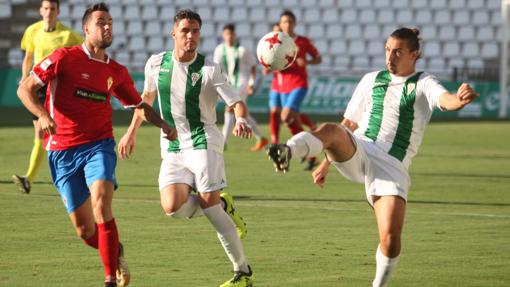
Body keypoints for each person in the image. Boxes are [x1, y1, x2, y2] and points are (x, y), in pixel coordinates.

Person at [267, 27, 479, 287]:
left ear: (414, 54)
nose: (390, 57)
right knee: (333, 128)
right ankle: (288, 150)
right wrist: (325, 163)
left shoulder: (424, 82)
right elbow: (348, 124)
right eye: (388, 50)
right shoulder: (371, 79)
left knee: (390, 239)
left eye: (398, 52)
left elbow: (445, 100)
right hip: (361, 148)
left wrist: (460, 99)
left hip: (392, 166)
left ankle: (379, 284)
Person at [16, 3, 175, 287]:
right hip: (61, 151)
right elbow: (25, 88)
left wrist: (162, 124)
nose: (107, 27)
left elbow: (138, 104)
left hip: (98, 145)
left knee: (102, 200)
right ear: (86, 29)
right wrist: (42, 115)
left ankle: (109, 281)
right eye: (101, 22)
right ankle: (116, 252)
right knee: (84, 230)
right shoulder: (63, 58)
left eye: (110, 22)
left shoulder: (116, 71)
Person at [117, 10, 254, 287]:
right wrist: (130, 133)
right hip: (172, 144)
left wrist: (240, 118)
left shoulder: (209, 68)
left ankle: (243, 272)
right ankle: (222, 202)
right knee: (171, 207)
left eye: (195, 31)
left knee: (210, 207)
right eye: (185, 31)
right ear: (174, 34)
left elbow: (235, 101)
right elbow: (146, 100)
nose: (191, 36)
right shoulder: (156, 64)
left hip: (203, 139)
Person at [12, 0, 83, 194]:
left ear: (58, 11)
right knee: (42, 133)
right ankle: (29, 178)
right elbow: (28, 56)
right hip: (39, 88)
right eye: (46, 8)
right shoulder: (32, 31)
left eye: (53, 8)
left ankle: (95, 169)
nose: (49, 12)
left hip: (60, 89)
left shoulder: (68, 35)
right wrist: (25, 78)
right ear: (40, 10)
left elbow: (84, 54)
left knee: (64, 131)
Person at [266, 12, 322, 170]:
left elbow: (318, 58)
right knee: (291, 121)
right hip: (282, 85)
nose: (287, 24)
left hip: (299, 84)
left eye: (290, 21)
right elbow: (271, 58)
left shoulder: (303, 41)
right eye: (284, 22)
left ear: (294, 23)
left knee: (284, 115)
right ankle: (311, 154)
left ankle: (282, 148)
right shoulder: (277, 41)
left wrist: (307, 61)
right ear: (281, 24)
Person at [214, 23, 268, 152]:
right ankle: (261, 138)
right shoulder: (219, 50)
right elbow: (216, 68)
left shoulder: (242, 50)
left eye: (231, 34)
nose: (229, 37)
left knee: (230, 109)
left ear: (235, 35)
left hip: (242, 84)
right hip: (229, 85)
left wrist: (251, 84)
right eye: (227, 34)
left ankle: (222, 143)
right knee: (244, 114)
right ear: (223, 36)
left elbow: (253, 66)